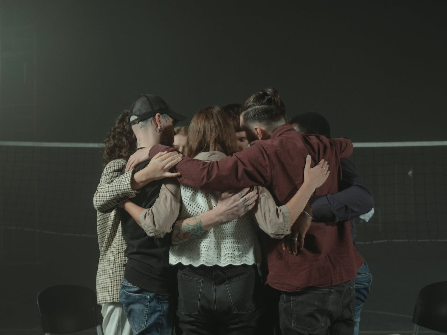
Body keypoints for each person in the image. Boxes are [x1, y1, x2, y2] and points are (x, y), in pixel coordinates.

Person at [130, 88, 365, 335]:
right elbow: (346, 146)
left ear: (258, 132)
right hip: (329, 279)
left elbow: (199, 181)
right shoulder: (317, 147)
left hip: (204, 279)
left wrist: (153, 157)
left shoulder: (248, 160)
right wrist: (309, 190)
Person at [92, 110, 183, 335]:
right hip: (119, 276)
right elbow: (100, 198)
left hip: (147, 279)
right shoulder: (119, 166)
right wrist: (147, 174)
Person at [289, 111, 375, 335]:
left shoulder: (336, 162)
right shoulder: (287, 164)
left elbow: (363, 198)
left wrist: (305, 210)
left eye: (296, 138)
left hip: (342, 272)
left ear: (316, 139)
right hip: (314, 273)